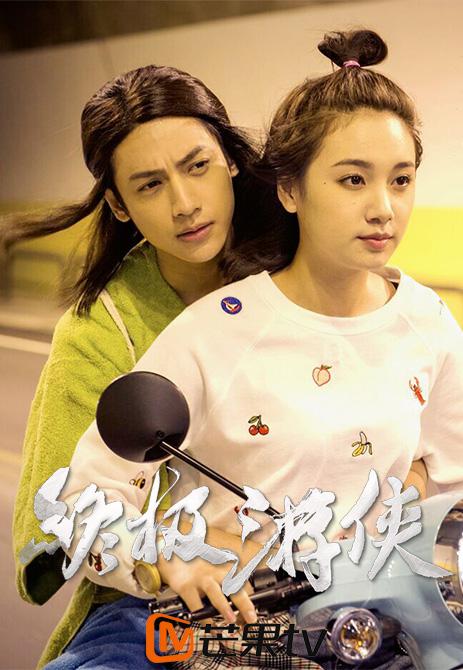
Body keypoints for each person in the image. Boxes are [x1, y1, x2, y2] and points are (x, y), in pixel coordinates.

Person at [62, 29, 463, 668]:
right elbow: (83, 506)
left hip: (388, 626)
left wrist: (413, 488)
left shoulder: (427, 321)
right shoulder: (214, 331)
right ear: (289, 190)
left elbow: (452, 475)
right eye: (352, 180)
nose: (383, 208)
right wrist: (169, 551)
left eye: (401, 179)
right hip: (247, 635)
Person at [8, 64, 284, 669]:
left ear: (230, 160)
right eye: (150, 185)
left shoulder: (301, 274)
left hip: (319, 580)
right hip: (156, 610)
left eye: (197, 166)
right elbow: (61, 515)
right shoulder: (102, 329)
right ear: (119, 204)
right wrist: (171, 549)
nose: (185, 204)